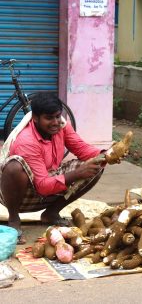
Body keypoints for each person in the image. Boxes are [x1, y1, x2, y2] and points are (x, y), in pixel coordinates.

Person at [0, 92, 124, 244]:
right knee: (14, 167)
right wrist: (77, 173)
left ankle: (51, 213)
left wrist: (109, 154)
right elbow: (42, 186)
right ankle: (14, 219)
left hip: (49, 180)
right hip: (22, 192)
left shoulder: (61, 126)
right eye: (49, 118)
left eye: (58, 116)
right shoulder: (27, 141)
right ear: (35, 119)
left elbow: (83, 149)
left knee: (96, 164)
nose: (55, 122)